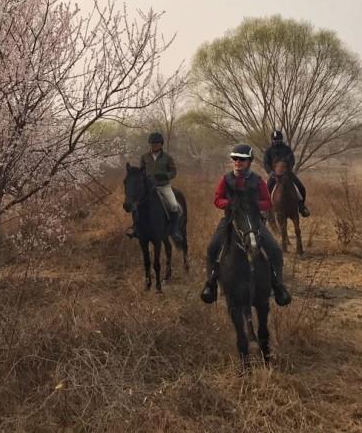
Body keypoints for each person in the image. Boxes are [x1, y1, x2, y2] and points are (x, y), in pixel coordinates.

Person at [199, 144, 292, 306]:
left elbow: (267, 202)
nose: (237, 162)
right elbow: (217, 199)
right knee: (212, 247)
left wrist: (255, 204)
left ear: (249, 161)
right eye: (235, 159)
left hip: (254, 220)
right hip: (231, 219)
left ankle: (278, 286)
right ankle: (211, 284)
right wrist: (229, 204)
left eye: (241, 159)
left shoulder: (257, 180)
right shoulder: (226, 179)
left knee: (275, 250)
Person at [126, 131, 184, 244]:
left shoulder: (167, 158)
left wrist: (165, 175)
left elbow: (174, 172)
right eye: (153, 143)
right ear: (150, 144)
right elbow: (141, 171)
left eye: (157, 143)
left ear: (161, 144)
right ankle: (135, 227)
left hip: (163, 186)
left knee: (173, 205)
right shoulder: (144, 157)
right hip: (148, 187)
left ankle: (175, 230)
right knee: (136, 205)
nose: (155, 145)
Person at [263, 129, 310, 217]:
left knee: (300, 187)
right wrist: (270, 172)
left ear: (281, 140)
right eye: (275, 140)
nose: (277, 142)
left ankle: (301, 206)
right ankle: (266, 210)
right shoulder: (268, 151)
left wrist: (287, 170)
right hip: (274, 175)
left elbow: (292, 161)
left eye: (278, 140)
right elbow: (266, 163)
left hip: (287, 174)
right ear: (272, 140)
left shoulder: (287, 149)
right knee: (266, 189)